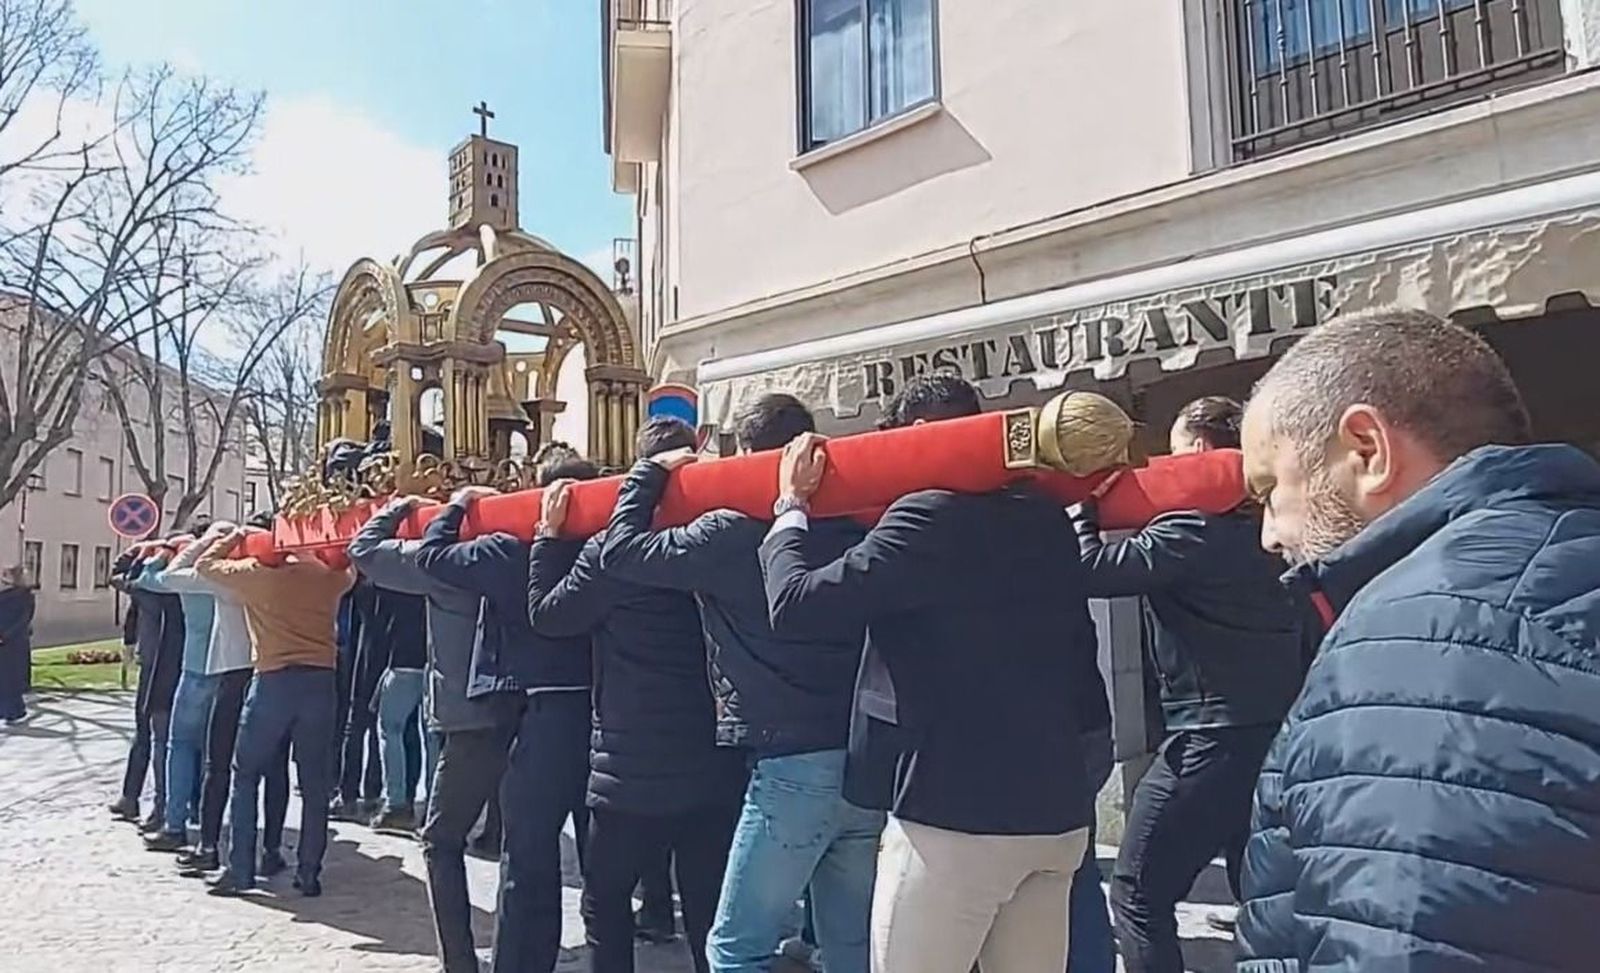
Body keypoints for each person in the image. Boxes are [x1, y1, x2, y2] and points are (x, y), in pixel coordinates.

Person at [1235, 308, 1600, 971]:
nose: (1267, 533)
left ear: (1367, 451)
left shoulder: (1414, 647)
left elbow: (1399, 944)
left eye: (1269, 489)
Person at [759, 373, 1104, 973]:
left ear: (918, 439)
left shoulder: (927, 516)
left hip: (953, 821)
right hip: (1055, 817)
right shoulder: (1044, 517)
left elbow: (795, 605)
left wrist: (789, 510)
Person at [599, 401, 884, 973]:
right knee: (849, 948)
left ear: (750, 457)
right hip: (867, 760)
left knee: (734, 949)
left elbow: (620, 551)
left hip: (792, 767)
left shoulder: (729, 532)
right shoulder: (858, 522)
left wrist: (650, 473)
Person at [1068, 396, 1310, 973]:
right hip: (1276, 731)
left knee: (1136, 893)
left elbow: (1092, 571)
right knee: (1259, 894)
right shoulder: (1272, 525)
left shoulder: (1190, 526)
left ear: (1199, 452)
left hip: (1210, 736)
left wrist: (1084, 509)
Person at [528, 427, 749, 973]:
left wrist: (549, 542)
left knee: (605, 901)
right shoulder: (718, 539)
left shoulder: (611, 554)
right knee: (708, 909)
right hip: (709, 759)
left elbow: (550, 616)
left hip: (630, 769)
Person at [415, 482, 593, 973]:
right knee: (595, 856)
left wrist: (456, 506)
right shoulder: (598, 545)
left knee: (526, 849)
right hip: (598, 709)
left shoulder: (502, 549)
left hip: (520, 706)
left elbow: (431, 557)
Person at [349, 493, 523, 973]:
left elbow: (364, 549)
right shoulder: (532, 549)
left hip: (470, 721)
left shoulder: (445, 564)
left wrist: (403, 506)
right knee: (524, 844)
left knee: (442, 839)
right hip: (536, 714)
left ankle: (461, 962)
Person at [198, 529, 354, 898]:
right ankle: (309, 872)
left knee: (246, 772)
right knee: (315, 782)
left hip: (272, 680)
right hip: (320, 680)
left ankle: (239, 869)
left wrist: (233, 537)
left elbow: (205, 565)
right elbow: (350, 572)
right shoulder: (325, 576)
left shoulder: (256, 575)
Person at [168, 525, 274, 877]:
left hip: (231, 674)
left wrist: (211, 539)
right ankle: (271, 848)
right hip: (269, 673)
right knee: (270, 769)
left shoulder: (228, 580)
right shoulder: (279, 574)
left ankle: (209, 845)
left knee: (219, 765)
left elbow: (173, 575)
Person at [109, 543, 186, 831]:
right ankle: (157, 804)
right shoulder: (187, 584)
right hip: (177, 666)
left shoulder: (149, 587)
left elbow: (118, 575)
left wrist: (141, 552)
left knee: (152, 737)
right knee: (169, 741)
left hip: (156, 669)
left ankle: (143, 801)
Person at [366, 578, 433, 831]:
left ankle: (397, 804)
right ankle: (432, 807)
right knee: (433, 736)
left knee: (390, 730)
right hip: (436, 662)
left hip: (402, 661)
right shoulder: (437, 567)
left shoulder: (391, 576)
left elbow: (377, 622)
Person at [0, 564, 35, 726]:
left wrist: (6, 635)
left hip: (14, 642)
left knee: (11, 677)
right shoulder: (3, 595)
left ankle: (14, 710)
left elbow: (23, 620)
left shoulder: (25, 596)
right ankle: (6, 710)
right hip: (3, 640)